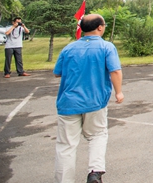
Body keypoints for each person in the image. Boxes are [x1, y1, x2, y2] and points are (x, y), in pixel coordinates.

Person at [53, 14, 123, 183]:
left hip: (68, 102)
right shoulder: (106, 47)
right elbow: (115, 71)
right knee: (97, 135)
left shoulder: (69, 48)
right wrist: (118, 92)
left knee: (66, 145)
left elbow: (57, 73)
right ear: (100, 27)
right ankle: (95, 171)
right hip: (95, 101)